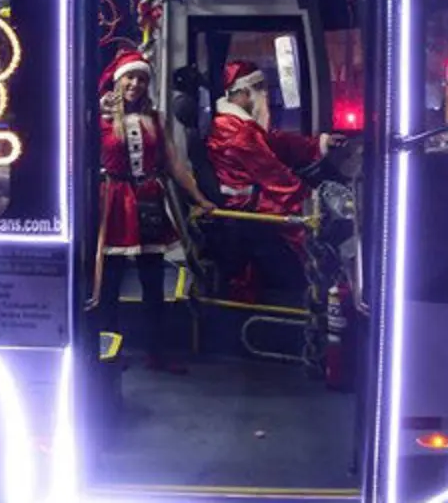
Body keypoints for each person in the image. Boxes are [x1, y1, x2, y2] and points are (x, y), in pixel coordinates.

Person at [96, 50, 214, 373]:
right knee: (109, 283)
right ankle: (109, 352)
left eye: (142, 79)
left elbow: (174, 164)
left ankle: (156, 353)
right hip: (114, 202)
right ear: (118, 80)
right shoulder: (97, 117)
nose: (135, 83)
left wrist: (199, 197)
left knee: (152, 281)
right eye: (131, 77)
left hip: (148, 201)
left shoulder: (156, 118)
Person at [206, 60, 343, 279]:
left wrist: (320, 144)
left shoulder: (240, 124)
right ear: (240, 93)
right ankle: (321, 285)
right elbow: (273, 176)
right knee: (306, 227)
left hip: (256, 196)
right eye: (257, 88)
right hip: (248, 203)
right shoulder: (235, 132)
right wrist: (311, 198)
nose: (264, 94)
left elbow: (278, 143)